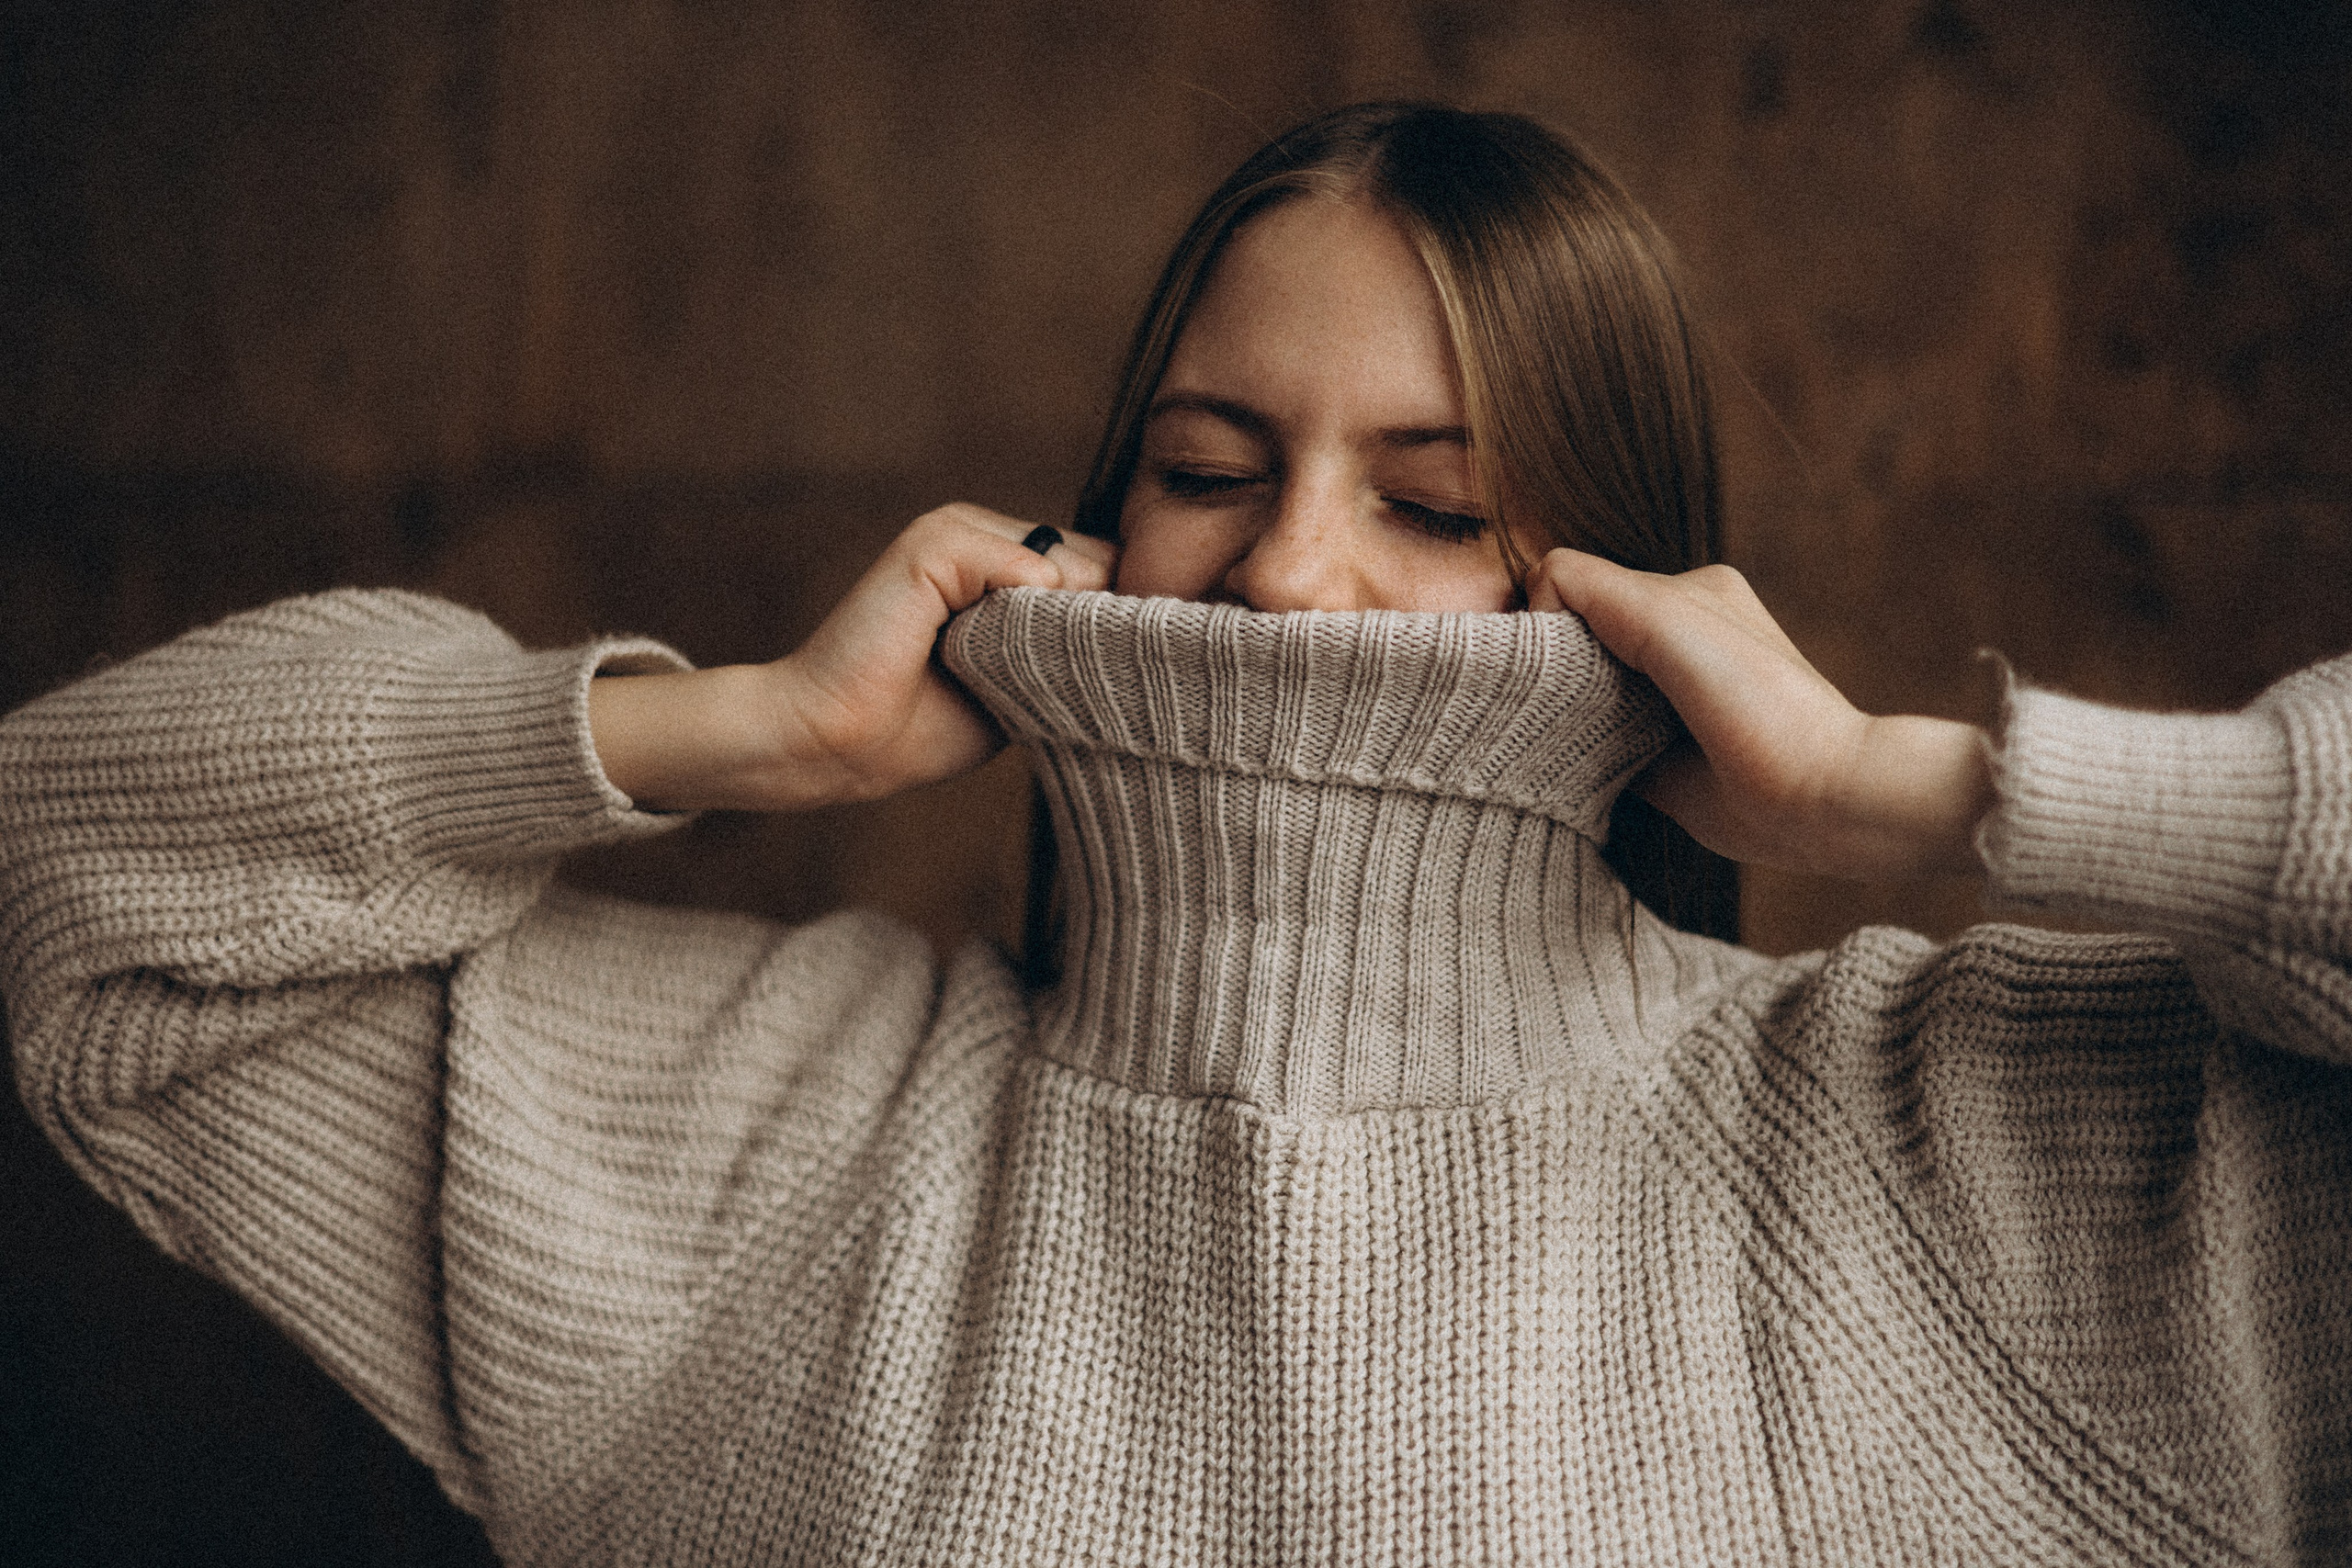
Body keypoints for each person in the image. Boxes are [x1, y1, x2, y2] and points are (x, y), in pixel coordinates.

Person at [5, 101, 2348, 1565]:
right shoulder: (761, 1141)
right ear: (1095, 514)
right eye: (1210, 470)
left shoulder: (1961, 1176)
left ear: (1630, 585)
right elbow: (66, 866)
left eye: (1432, 504)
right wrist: (736, 730)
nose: (1297, 573)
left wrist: (1893, 791)